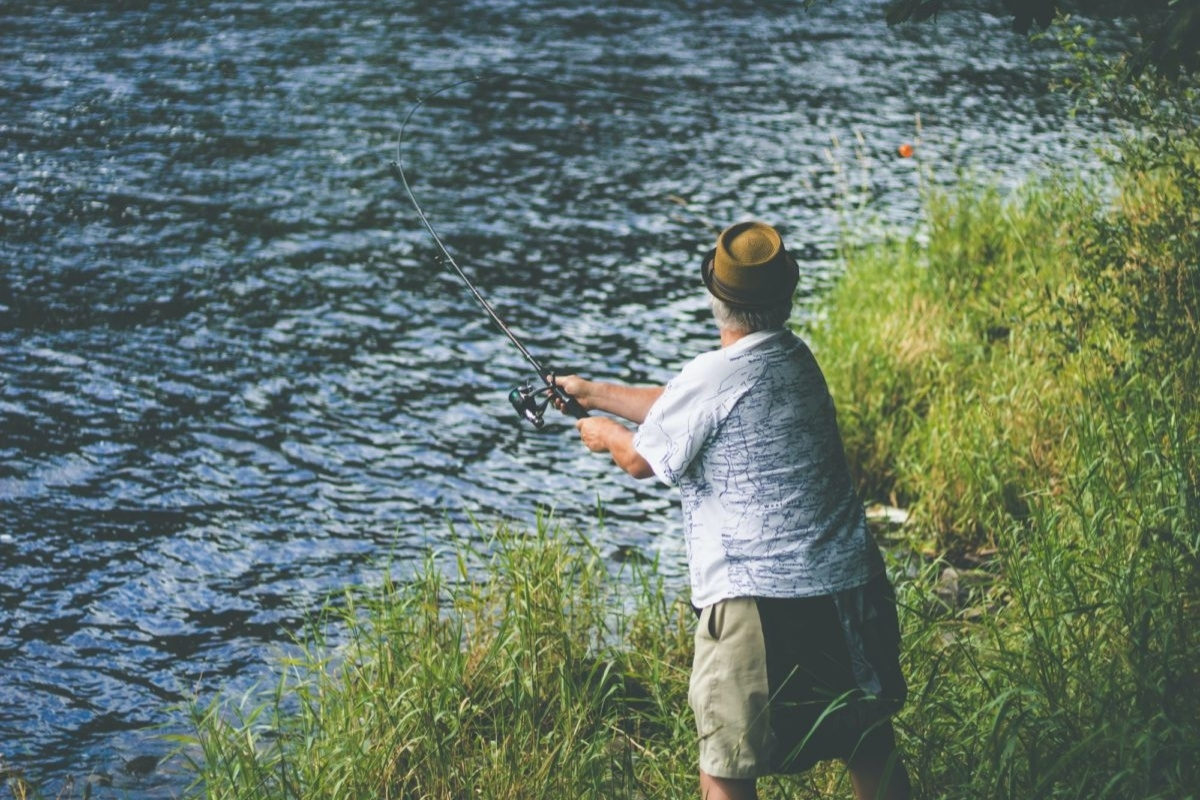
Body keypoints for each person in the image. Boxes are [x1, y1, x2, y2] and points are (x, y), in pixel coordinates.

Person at [555, 221, 912, 800]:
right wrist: (592, 390)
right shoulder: (796, 359)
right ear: (786, 296)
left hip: (759, 602)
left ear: (715, 300)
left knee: (726, 767)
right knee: (867, 739)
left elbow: (640, 460)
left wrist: (602, 431)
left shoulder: (713, 375)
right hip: (850, 587)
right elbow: (684, 405)